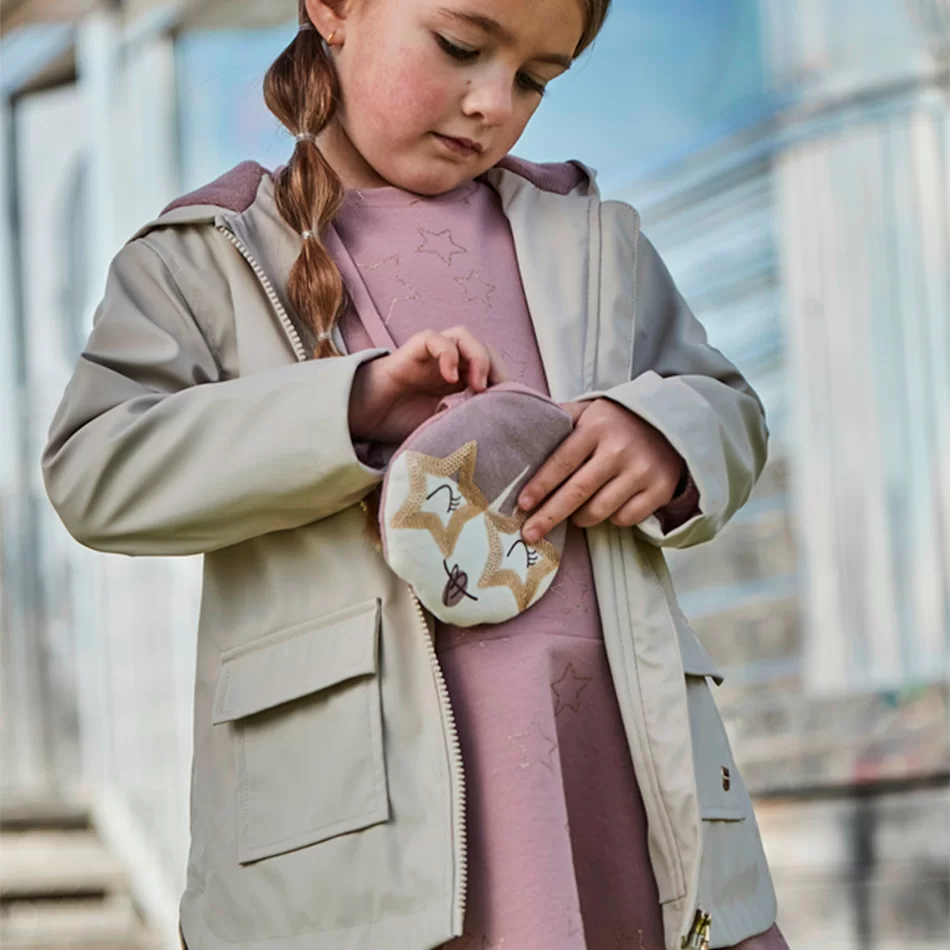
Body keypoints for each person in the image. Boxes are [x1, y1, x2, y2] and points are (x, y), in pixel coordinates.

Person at [42, 1, 792, 949]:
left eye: (535, 79)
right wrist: (344, 410)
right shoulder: (203, 256)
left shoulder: (591, 238)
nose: (493, 103)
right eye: (462, 47)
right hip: (358, 835)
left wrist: (667, 435)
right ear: (335, 9)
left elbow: (728, 403)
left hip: (612, 785)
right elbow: (95, 469)